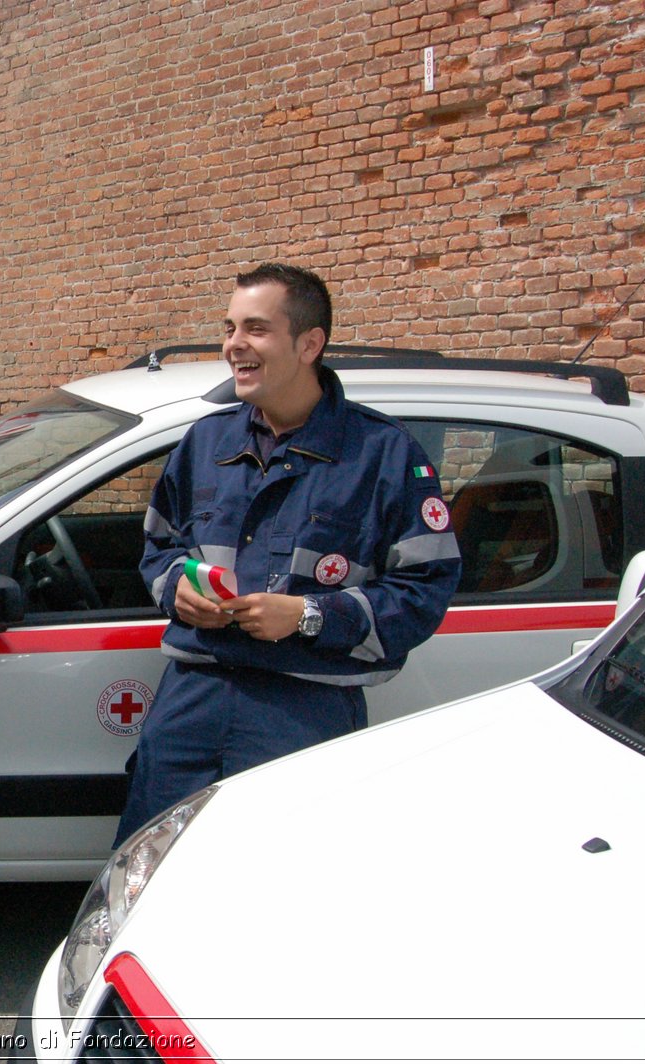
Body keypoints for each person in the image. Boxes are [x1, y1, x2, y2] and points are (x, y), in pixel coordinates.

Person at [115, 264, 461, 844]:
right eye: (229, 328)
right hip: (190, 698)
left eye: (255, 329)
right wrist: (177, 588)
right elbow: (159, 546)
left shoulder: (383, 454)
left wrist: (305, 616)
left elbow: (422, 592)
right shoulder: (206, 441)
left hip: (305, 709)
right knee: (151, 869)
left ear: (310, 344)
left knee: (278, 880)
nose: (233, 346)